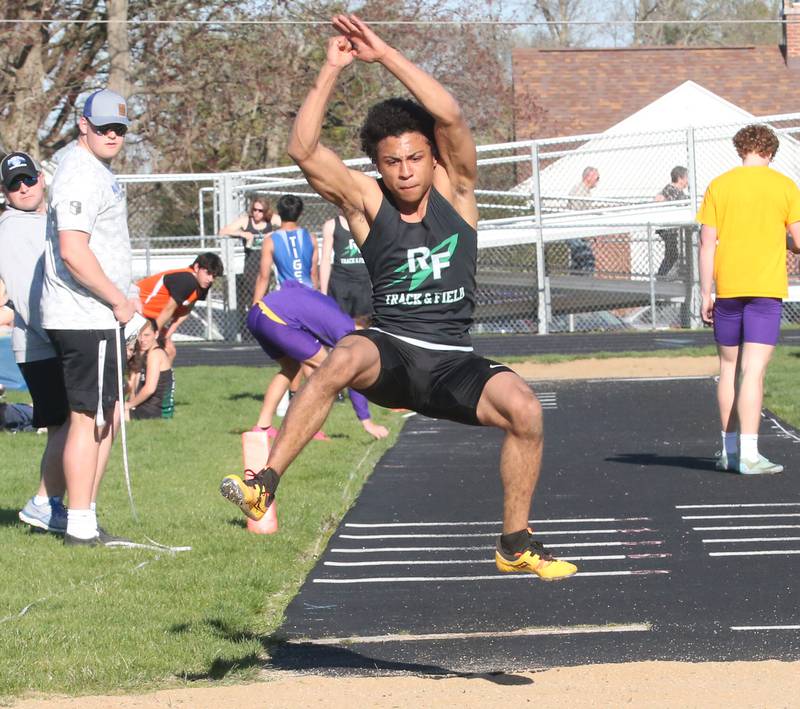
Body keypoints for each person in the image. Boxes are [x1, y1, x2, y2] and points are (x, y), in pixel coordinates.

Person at [220, 15, 577, 581]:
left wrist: (384, 54)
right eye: (393, 163)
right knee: (343, 355)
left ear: (433, 157)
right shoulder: (366, 204)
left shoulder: (457, 191)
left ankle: (515, 541)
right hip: (394, 350)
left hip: (453, 360)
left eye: (415, 158)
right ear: (378, 168)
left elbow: (451, 116)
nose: (406, 172)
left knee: (526, 410)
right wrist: (332, 68)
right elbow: (303, 147)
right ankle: (264, 485)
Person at [40, 88, 140, 546]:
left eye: (119, 128)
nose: (112, 135)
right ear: (83, 124)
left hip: (98, 315)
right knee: (87, 417)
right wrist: (118, 300)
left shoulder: (96, 169)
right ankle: (78, 521)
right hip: (85, 315)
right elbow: (73, 250)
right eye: (103, 127)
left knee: (105, 416)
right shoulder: (79, 172)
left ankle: (84, 513)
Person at [698, 123, 800, 475]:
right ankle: (750, 455)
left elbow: (707, 243)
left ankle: (728, 451)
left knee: (727, 370)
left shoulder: (719, 185)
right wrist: (781, 241)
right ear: (769, 153)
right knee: (753, 372)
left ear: (741, 150)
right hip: (765, 290)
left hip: (727, 289)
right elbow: (799, 241)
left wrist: (704, 293)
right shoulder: (785, 186)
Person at [0, 151, 70, 533]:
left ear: (41, 178)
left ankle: (53, 503)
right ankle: (45, 502)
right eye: (14, 184)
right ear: (4, 192)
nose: (23, 187)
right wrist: (59, 336)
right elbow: (27, 294)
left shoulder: (44, 218)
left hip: (54, 338)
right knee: (68, 424)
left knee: (66, 425)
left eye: (27, 179)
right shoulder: (12, 227)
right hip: (42, 343)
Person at [247, 281, 388, 440]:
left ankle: (262, 426)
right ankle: (304, 430)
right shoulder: (346, 330)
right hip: (276, 320)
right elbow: (351, 375)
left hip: (257, 313)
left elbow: (291, 285)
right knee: (332, 373)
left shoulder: (334, 311)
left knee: (291, 368)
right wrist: (367, 421)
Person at [136, 252, 224, 363]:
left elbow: (186, 311)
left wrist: (167, 335)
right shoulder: (187, 279)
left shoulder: (203, 285)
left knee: (169, 350)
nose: (210, 279)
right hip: (137, 311)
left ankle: (161, 380)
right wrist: (153, 335)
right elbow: (169, 309)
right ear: (196, 267)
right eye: (208, 273)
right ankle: (135, 379)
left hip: (151, 319)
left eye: (214, 276)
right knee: (138, 354)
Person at [219, 196, 277, 328]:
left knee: (266, 296)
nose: (257, 213)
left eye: (260, 211)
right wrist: (241, 234)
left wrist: (274, 233)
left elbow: (287, 224)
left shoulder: (270, 220)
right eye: (255, 210)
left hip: (267, 262)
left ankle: (266, 325)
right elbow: (223, 231)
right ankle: (254, 325)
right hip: (251, 262)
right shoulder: (246, 221)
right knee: (253, 296)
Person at [252, 194, 319, 304]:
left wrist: (255, 306)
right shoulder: (311, 238)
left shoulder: (270, 241)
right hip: (308, 297)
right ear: (300, 213)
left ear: (278, 212)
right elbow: (313, 274)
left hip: (286, 300)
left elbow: (264, 277)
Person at [320, 212, 373, 320]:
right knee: (340, 324)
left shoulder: (369, 223)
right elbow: (325, 259)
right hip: (340, 285)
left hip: (363, 285)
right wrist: (323, 293)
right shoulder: (332, 225)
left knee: (364, 326)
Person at [125, 318, 174, 420]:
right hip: (148, 407)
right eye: (140, 335)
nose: (142, 340)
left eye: (147, 335)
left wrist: (129, 405)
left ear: (156, 334)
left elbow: (149, 389)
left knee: (111, 417)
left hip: (155, 411)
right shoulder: (146, 354)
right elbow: (133, 385)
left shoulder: (155, 354)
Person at [654, 166, 689, 277]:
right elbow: (660, 199)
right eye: (686, 178)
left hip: (672, 229)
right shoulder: (671, 190)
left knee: (673, 254)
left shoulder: (678, 192)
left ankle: (665, 275)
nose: (687, 181)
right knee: (672, 254)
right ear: (680, 178)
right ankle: (662, 276)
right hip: (668, 229)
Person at [566, 166, 599, 273]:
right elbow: (576, 214)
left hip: (580, 234)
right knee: (588, 261)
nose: (597, 181)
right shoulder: (579, 191)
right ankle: (587, 285)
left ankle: (575, 284)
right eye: (597, 178)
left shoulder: (586, 191)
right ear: (588, 177)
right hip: (576, 234)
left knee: (578, 264)